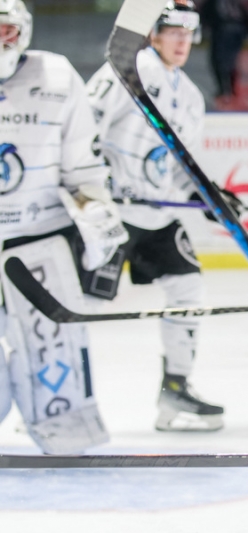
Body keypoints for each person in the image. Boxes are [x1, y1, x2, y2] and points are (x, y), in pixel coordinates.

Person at [87, 0, 238, 432]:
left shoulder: (189, 96)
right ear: (153, 33)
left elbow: (180, 164)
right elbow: (82, 125)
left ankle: (175, 389)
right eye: (173, 31)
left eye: (189, 33)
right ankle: (43, 391)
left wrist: (208, 196)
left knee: (188, 290)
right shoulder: (125, 69)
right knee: (76, 303)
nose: (182, 41)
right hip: (110, 213)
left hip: (156, 215)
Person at [0, 0, 128, 454]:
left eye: (6, 29)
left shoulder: (55, 76)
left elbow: (81, 167)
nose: (0, 39)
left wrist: (98, 221)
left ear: (24, 31)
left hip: (37, 245)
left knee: (57, 364)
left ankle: (66, 434)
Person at [198, 0, 248, 102]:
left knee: (224, 61)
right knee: (227, 61)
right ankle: (227, 91)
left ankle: (228, 91)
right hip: (227, 31)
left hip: (227, 32)